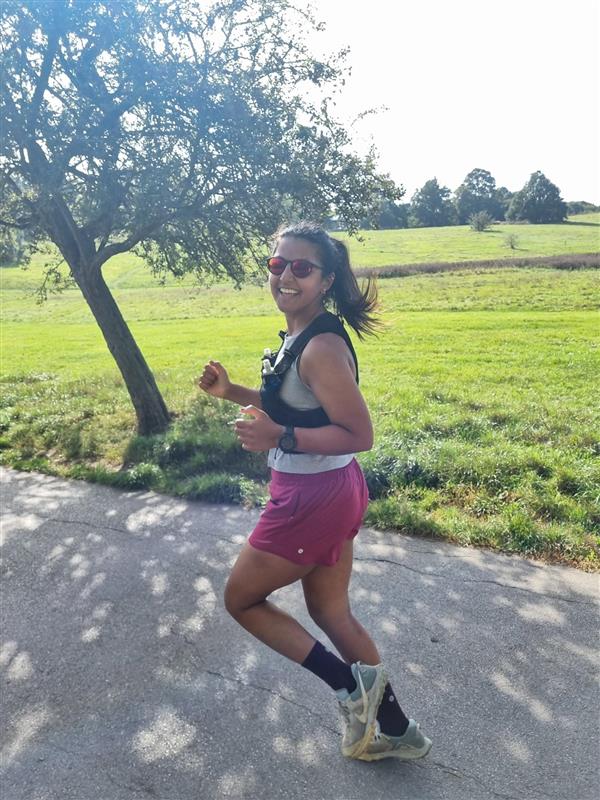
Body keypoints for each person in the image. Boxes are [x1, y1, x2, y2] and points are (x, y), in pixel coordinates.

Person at [198, 221, 431, 761]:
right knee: (332, 614)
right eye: (277, 264)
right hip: (332, 489)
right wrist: (232, 391)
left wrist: (279, 436)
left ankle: (349, 687)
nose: (285, 275)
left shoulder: (321, 345)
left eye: (301, 267)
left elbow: (360, 434)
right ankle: (398, 731)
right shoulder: (302, 334)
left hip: (313, 497)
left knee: (241, 598)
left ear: (325, 280)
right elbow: (296, 403)